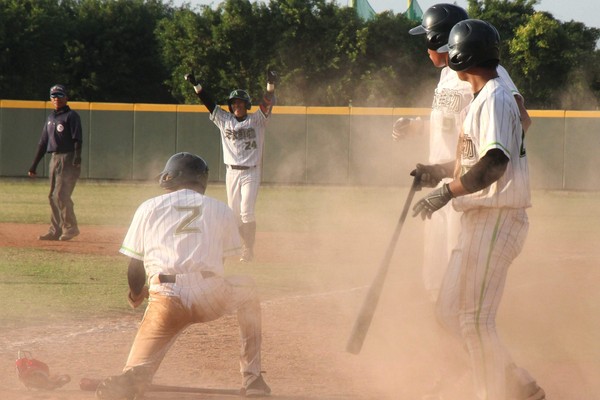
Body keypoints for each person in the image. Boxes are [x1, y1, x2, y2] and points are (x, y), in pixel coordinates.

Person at [411, 19, 545, 400]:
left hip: (497, 217)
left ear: (459, 56)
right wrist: (434, 172)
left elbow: (495, 164)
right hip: (481, 219)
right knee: (449, 312)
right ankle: (516, 383)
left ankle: (493, 392)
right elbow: (475, 162)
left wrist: (446, 193)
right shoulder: (485, 96)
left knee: (473, 321)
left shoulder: (494, 97)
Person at [95, 152, 271, 399]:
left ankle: (135, 377)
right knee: (248, 289)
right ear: (201, 180)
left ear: (172, 177)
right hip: (211, 294)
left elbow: (135, 266)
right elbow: (220, 262)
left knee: (137, 367)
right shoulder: (221, 209)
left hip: (166, 298)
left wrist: (136, 294)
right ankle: (253, 379)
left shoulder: (148, 207)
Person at [394, 3, 531, 302]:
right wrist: (419, 130)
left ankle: (462, 326)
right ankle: (441, 330)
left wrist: (490, 154)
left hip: (470, 187)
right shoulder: (448, 76)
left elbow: (520, 118)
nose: (424, 47)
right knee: (435, 269)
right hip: (448, 180)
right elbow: (449, 123)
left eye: (426, 38)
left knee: (460, 276)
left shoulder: (486, 72)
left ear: (439, 40)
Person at [184, 70, 278, 262]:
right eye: (234, 103)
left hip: (251, 171)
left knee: (246, 210)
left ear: (246, 105)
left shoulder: (257, 120)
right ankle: (235, 246)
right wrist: (196, 84)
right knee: (233, 214)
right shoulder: (224, 120)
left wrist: (270, 84)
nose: (237, 105)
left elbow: (267, 103)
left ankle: (248, 249)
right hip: (232, 172)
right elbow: (208, 102)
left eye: (240, 103)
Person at [28, 84, 82, 241]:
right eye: (53, 96)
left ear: (66, 97)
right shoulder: (51, 118)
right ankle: (56, 230)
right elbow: (43, 143)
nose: (56, 99)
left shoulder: (71, 116)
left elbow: (77, 139)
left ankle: (71, 228)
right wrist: (34, 165)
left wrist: (77, 158)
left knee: (61, 194)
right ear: (50, 99)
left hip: (68, 157)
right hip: (55, 158)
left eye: (59, 95)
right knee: (52, 196)